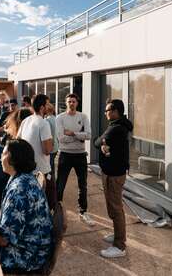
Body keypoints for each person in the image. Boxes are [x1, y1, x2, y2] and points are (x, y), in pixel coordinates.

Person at [0, 139, 53, 273]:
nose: (0, 157)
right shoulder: (22, 177)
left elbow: (4, 239)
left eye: (3, 154)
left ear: (12, 158)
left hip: (28, 257)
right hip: (33, 248)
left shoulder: (19, 191)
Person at [94, 99, 133, 258]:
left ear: (116, 111)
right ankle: (117, 234)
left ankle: (119, 246)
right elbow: (101, 141)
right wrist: (103, 143)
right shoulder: (117, 125)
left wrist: (102, 142)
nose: (105, 113)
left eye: (108, 110)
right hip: (111, 171)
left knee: (116, 209)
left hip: (114, 174)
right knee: (113, 207)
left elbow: (97, 141)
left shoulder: (117, 128)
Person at [55, 93, 93, 226]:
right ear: (66, 103)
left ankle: (83, 211)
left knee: (83, 185)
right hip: (65, 154)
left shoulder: (83, 117)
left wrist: (72, 133)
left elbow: (88, 135)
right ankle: (56, 210)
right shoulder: (60, 118)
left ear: (77, 103)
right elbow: (61, 138)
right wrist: (79, 136)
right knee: (60, 184)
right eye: (69, 101)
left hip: (80, 155)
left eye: (74, 101)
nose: (71, 103)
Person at [17, 94, 55, 209]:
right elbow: (47, 150)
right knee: (48, 203)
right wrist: (52, 141)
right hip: (43, 172)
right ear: (42, 107)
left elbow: (18, 141)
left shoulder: (26, 120)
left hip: (28, 171)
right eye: (48, 103)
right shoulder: (44, 123)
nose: (50, 106)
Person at [45, 102, 58, 175]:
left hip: (51, 146)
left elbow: (49, 135)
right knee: (52, 166)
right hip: (56, 145)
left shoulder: (47, 120)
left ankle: (50, 183)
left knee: (49, 168)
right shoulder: (56, 119)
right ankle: (52, 183)